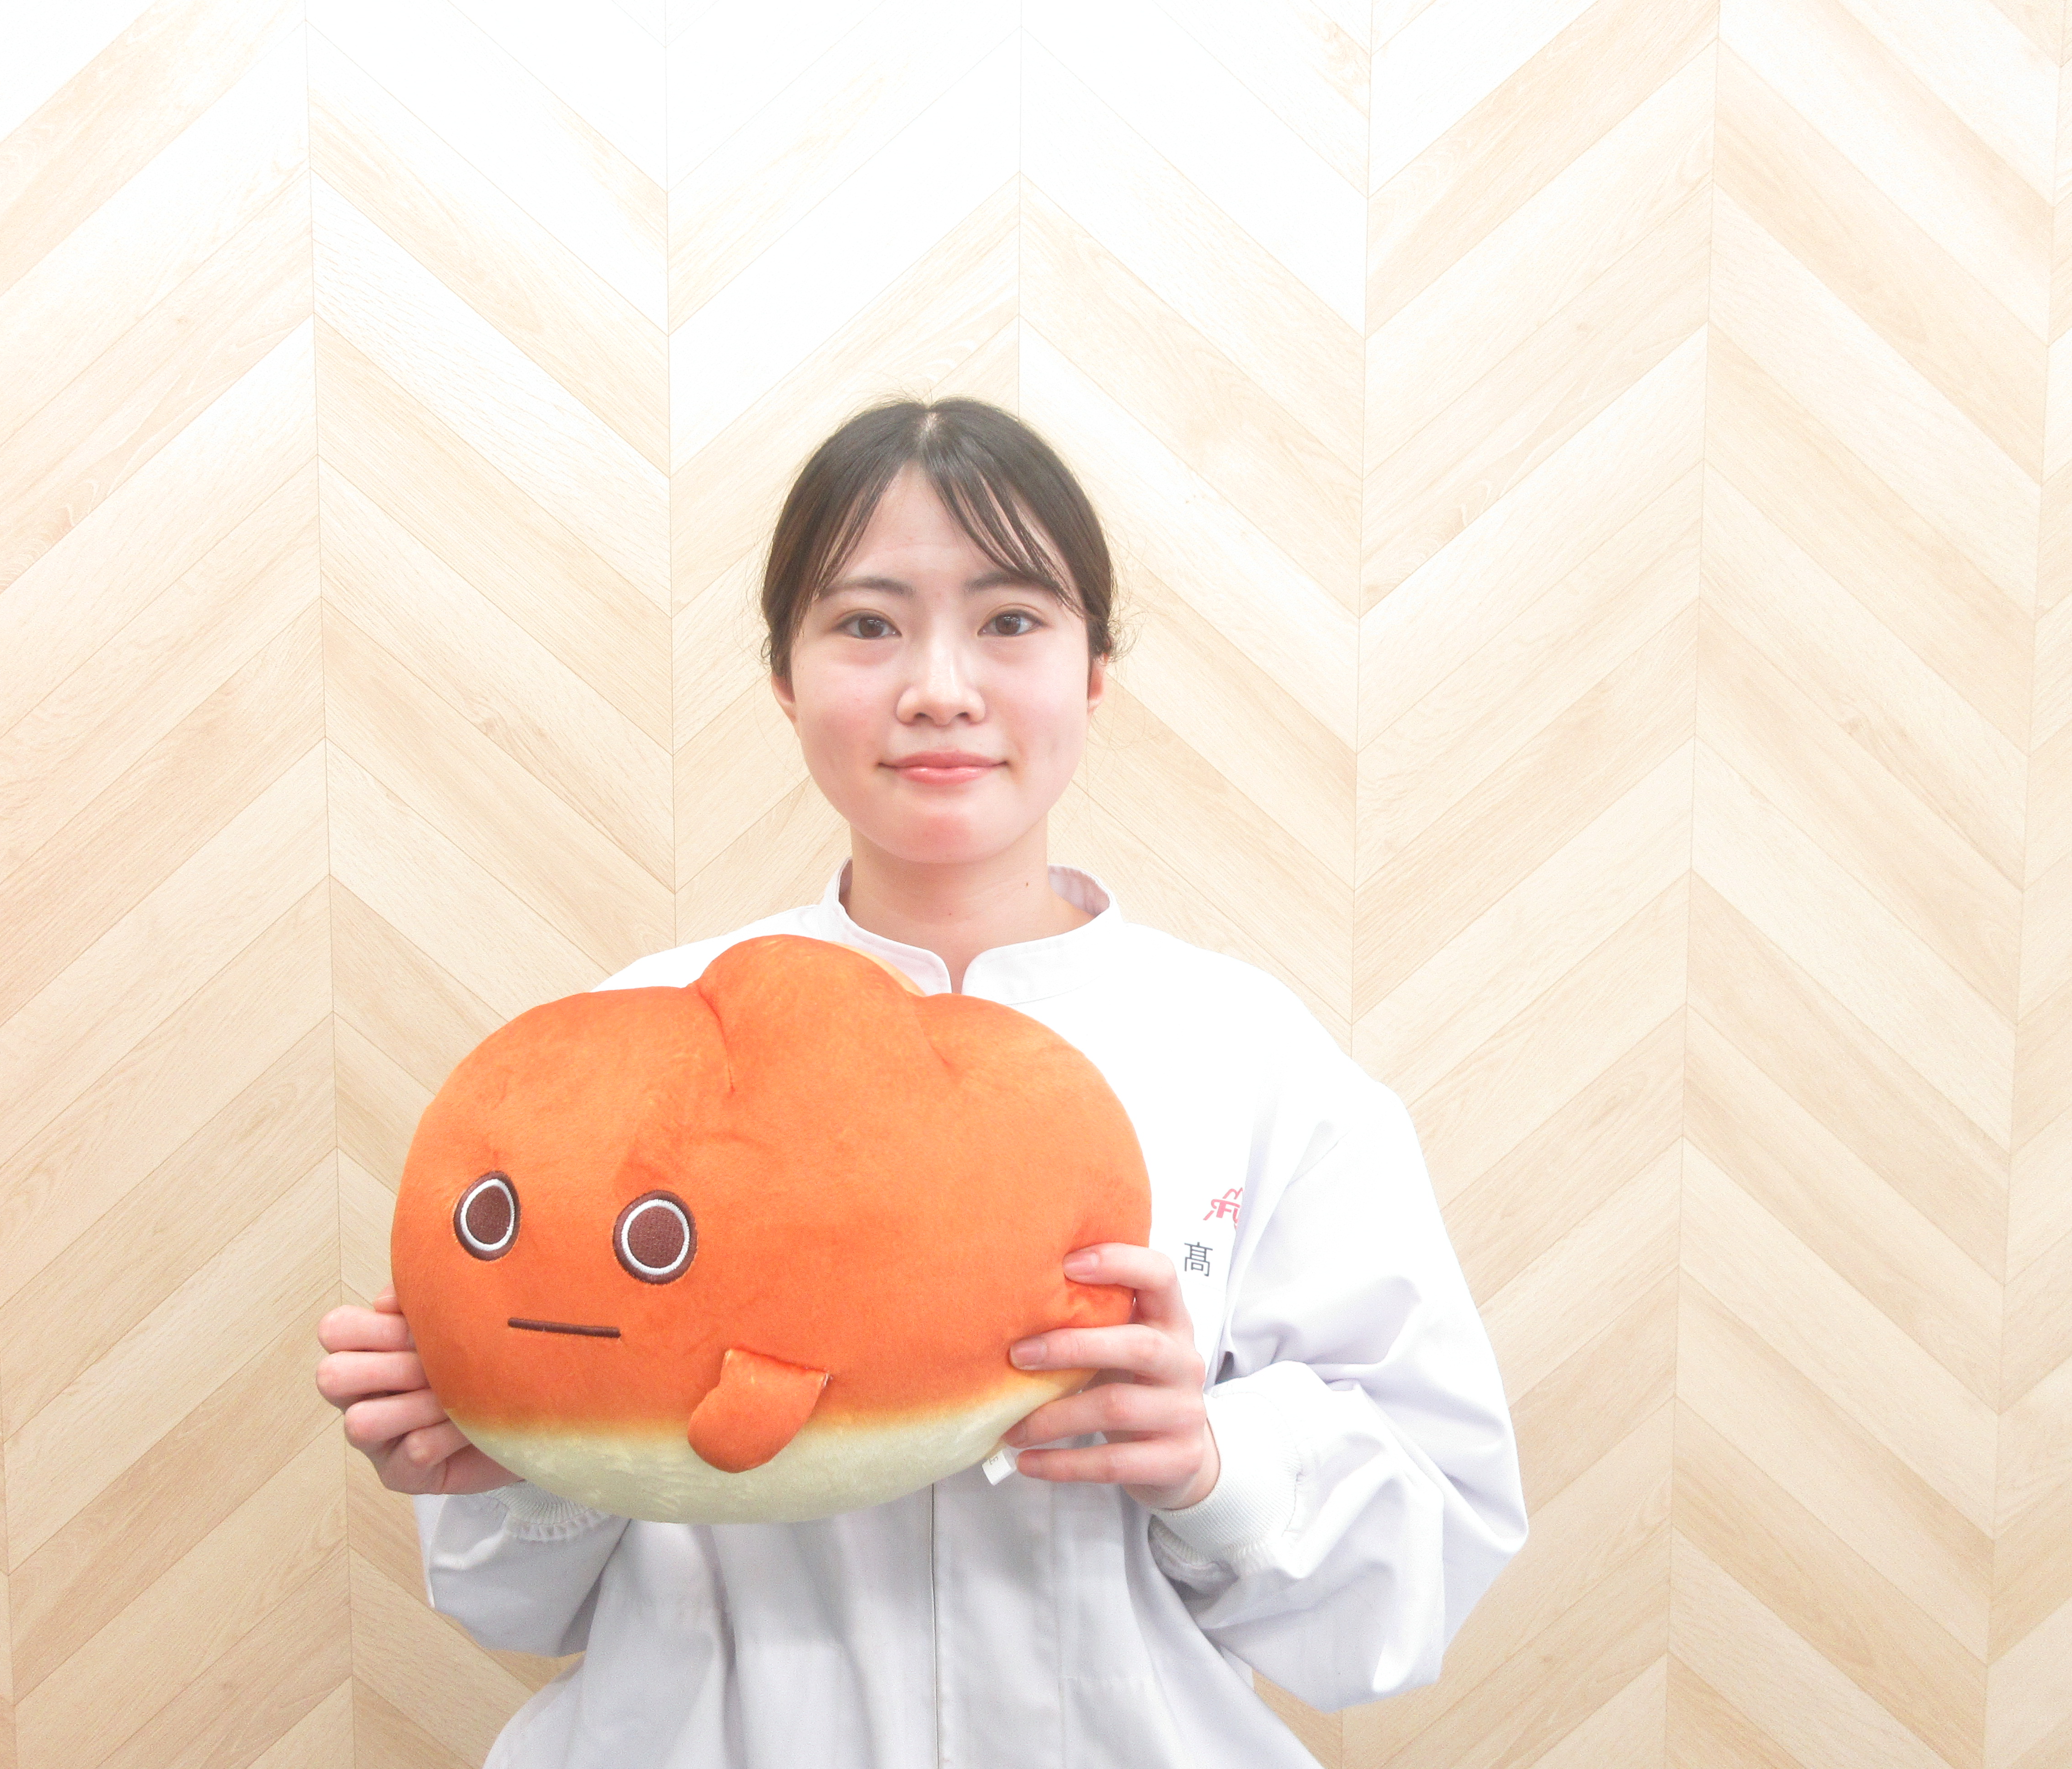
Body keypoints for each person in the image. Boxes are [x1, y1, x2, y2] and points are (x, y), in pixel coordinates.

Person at [314, 398, 1527, 1767]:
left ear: (1094, 671)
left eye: (1010, 620)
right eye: (867, 623)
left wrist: (1210, 1460)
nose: (940, 687)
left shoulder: (1246, 1055)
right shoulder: (620, 1053)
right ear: (784, 677)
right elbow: (512, 1601)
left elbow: (1418, 1574)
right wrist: (507, 1455)